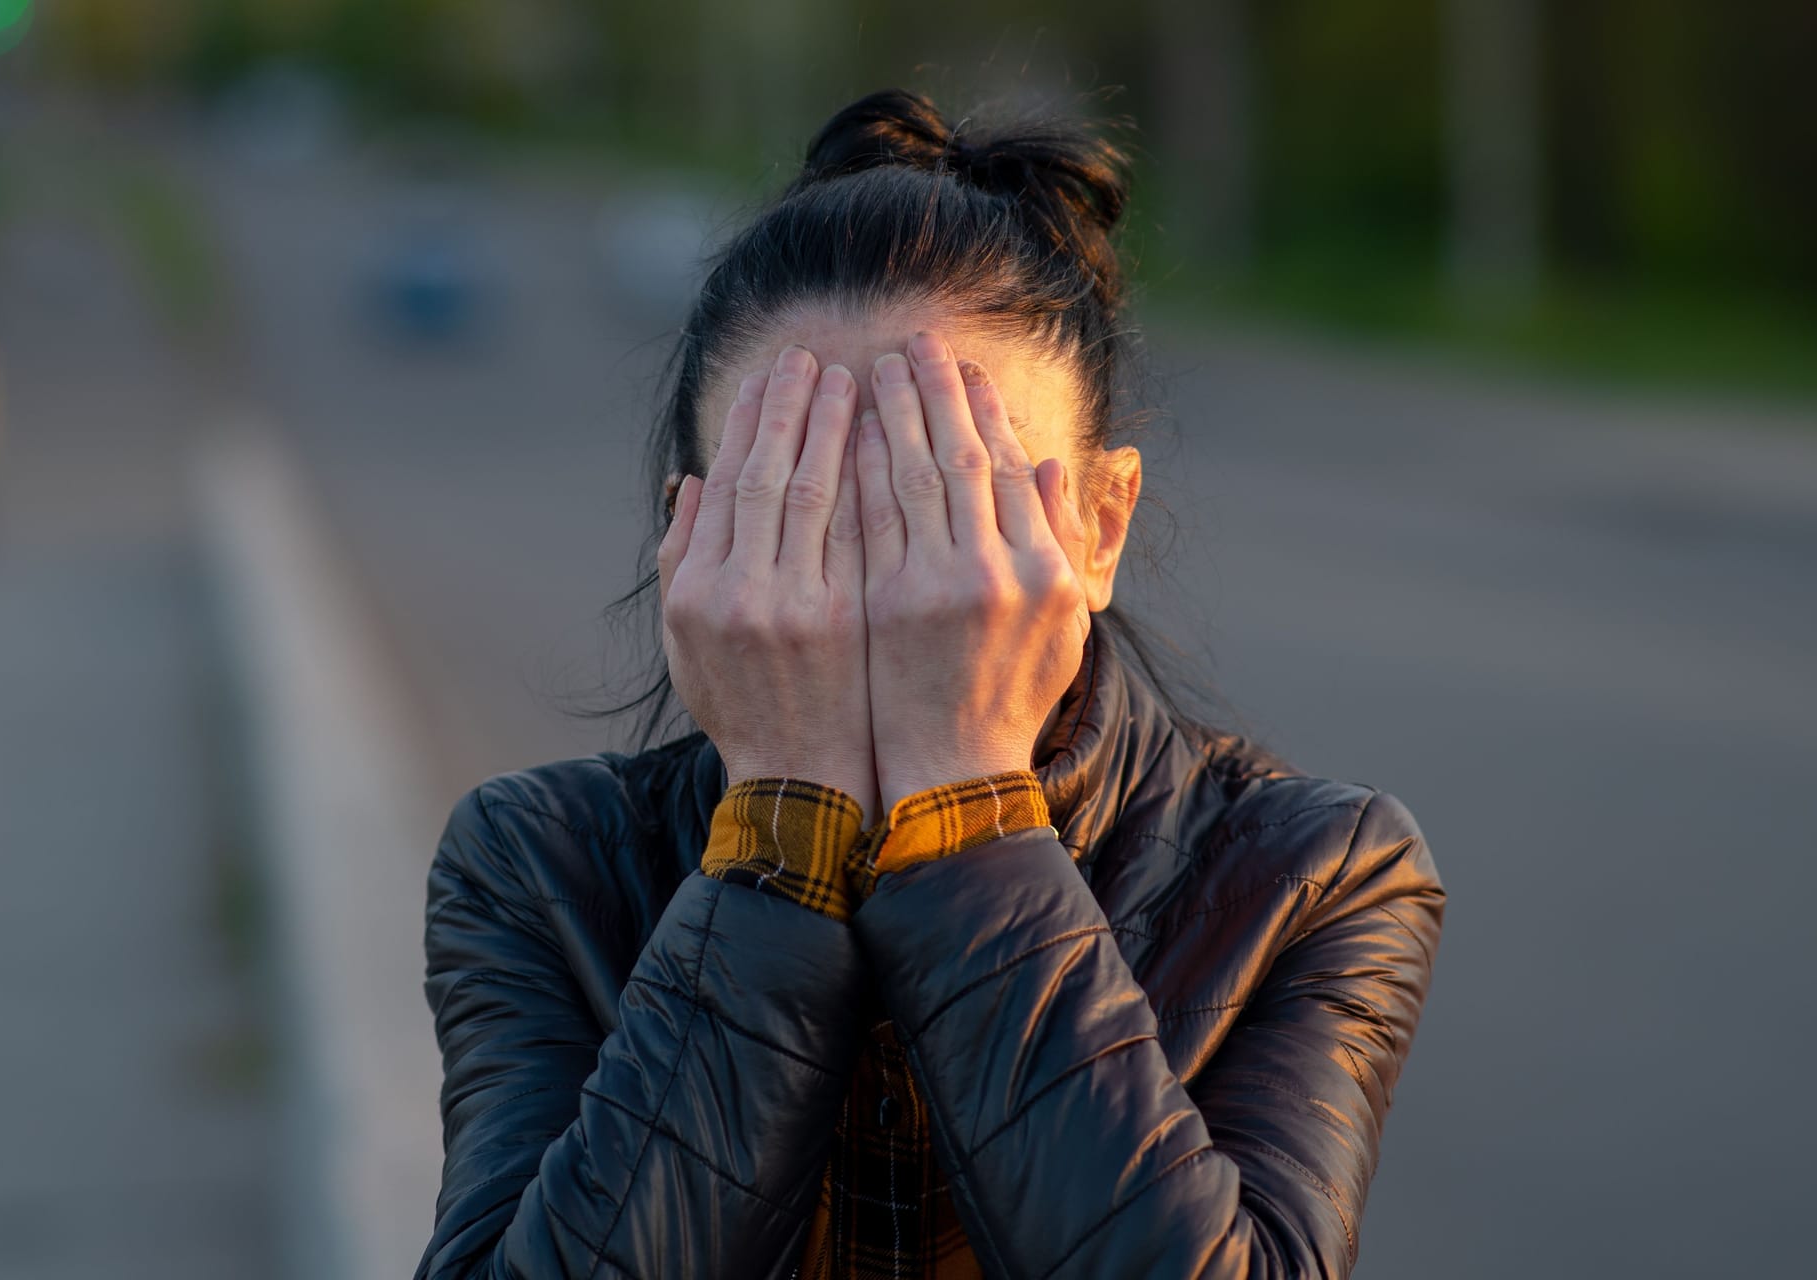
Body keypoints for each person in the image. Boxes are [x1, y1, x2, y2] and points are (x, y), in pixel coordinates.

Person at [413, 88, 1446, 1280]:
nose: (899, 585)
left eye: (959, 506)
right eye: (798, 502)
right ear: (690, 545)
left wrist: (963, 798)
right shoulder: (540, 862)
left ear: (1100, 527)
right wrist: (782, 825)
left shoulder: (1308, 870)